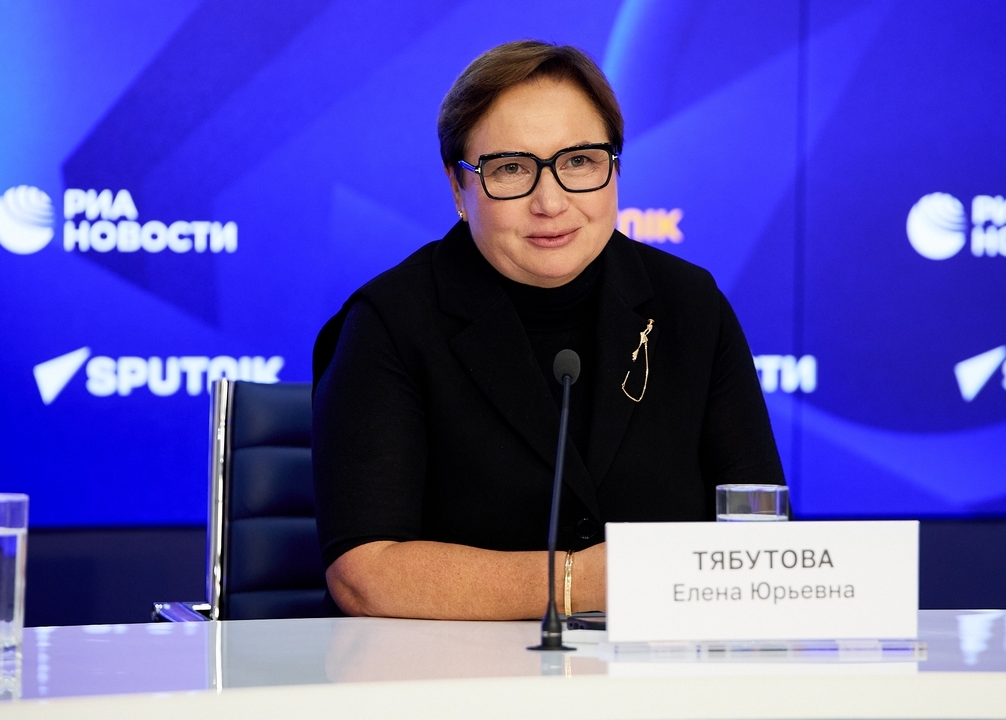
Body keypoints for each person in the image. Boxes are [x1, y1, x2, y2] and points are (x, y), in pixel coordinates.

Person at [312, 40, 784, 620]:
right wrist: (576, 582)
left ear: (614, 168)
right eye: (511, 169)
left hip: (660, 662)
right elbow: (365, 573)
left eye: (579, 161)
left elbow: (759, 532)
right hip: (451, 666)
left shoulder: (690, 304)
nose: (551, 202)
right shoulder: (390, 322)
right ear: (458, 188)